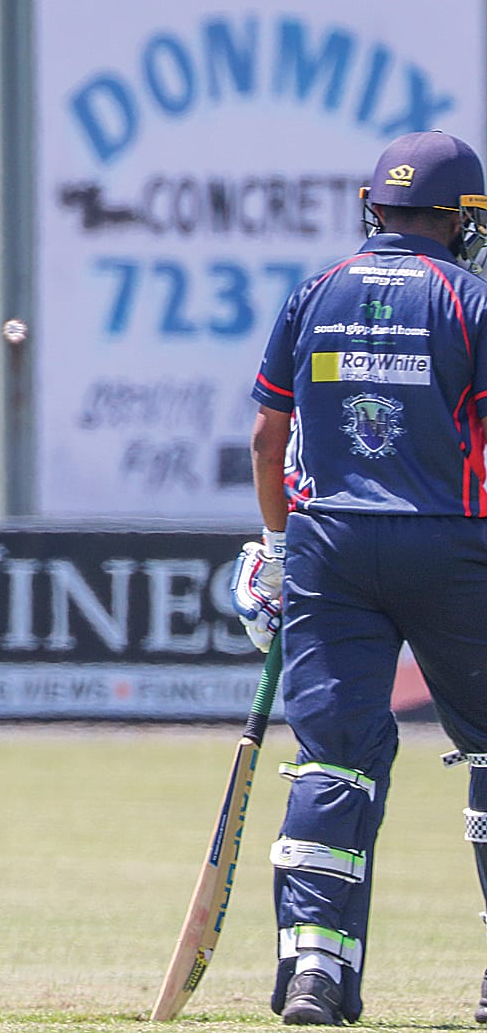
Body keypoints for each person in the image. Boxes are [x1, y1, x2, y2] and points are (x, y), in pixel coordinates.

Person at [236, 129, 487, 1025]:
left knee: (332, 758)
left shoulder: (313, 293)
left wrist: (271, 547)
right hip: (451, 543)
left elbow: (268, 441)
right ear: (459, 218)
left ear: (371, 206)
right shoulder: (468, 298)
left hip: (328, 544)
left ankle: (314, 971)